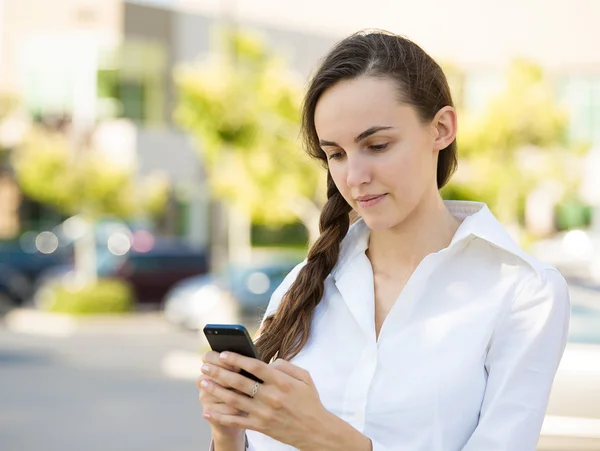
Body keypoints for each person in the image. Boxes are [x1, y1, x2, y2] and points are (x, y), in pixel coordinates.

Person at [197, 29, 571, 451]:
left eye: (376, 145)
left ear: (442, 128)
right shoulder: (304, 285)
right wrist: (227, 435)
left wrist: (331, 439)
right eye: (335, 154)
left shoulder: (523, 293)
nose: (354, 178)